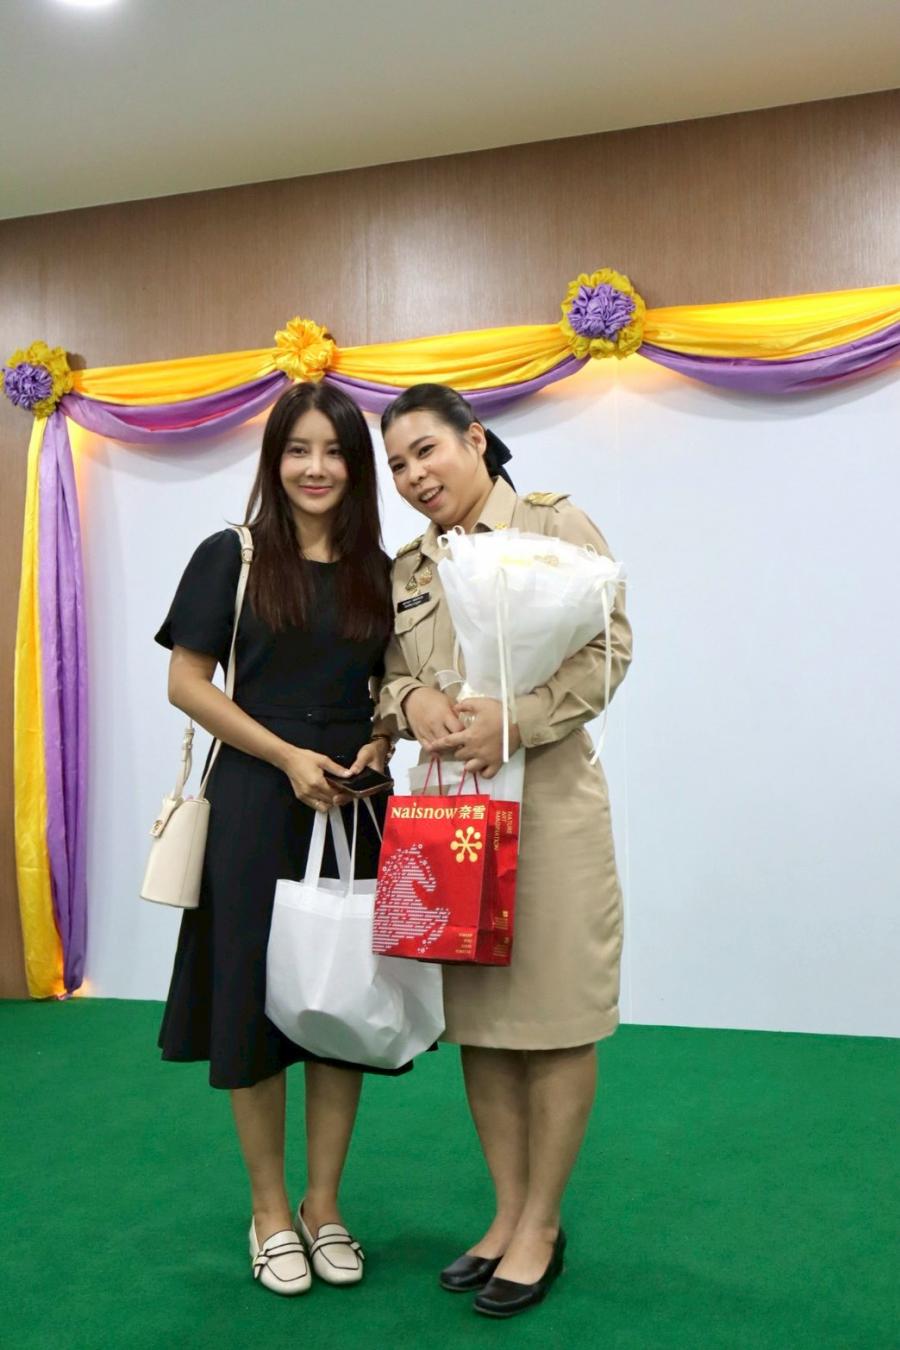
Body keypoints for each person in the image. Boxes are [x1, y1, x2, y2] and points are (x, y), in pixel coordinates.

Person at [378, 383, 632, 1319]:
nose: (414, 476)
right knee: (481, 1025)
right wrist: (412, 703)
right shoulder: (409, 568)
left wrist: (515, 721)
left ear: (474, 439)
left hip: (552, 804)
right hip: (452, 815)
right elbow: (388, 675)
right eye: (397, 465)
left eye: (425, 451)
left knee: (556, 1016)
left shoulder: (553, 525)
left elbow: (610, 649)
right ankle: (506, 1213)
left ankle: (543, 1226)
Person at [155, 381, 399, 1296]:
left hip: (354, 802)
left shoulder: (381, 568)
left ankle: (324, 1207)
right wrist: (287, 756)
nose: (316, 468)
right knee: (250, 1003)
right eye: (298, 450)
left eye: (334, 451)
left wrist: (380, 741)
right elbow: (188, 682)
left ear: (357, 466)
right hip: (259, 797)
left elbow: (392, 687)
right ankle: (268, 1213)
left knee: (339, 1001)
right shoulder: (234, 553)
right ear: (275, 460)